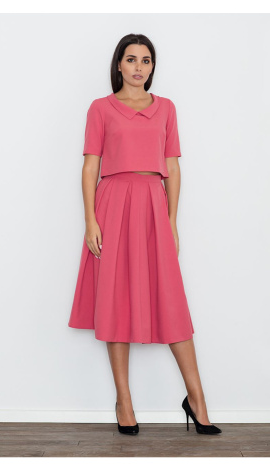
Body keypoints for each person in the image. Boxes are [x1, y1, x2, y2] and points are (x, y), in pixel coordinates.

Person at [68, 34, 221, 436]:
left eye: (146, 60)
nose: (139, 67)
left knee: (171, 302)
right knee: (115, 300)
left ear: (153, 67)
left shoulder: (166, 108)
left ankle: (197, 399)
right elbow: (90, 166)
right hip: (114, 205)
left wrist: (171, 220)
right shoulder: (101, 108)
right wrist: (90, 220)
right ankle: (124, 402)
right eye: (132, 59)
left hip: (154, 205)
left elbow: (173, 167)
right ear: (119, 64)